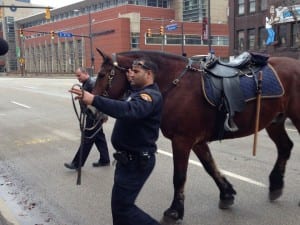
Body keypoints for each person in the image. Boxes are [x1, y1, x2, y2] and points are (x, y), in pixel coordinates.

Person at [69, 58, 163, 225]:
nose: (131, 74)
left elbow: (129, 110)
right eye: (130, 71)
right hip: (126, 160)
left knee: (123, 209)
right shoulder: (136, 93)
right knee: (120, 211)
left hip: (136, 161)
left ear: (149, 74)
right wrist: (99, 108)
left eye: (136, 72)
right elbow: (120, 103)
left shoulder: (150, 96)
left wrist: (94, 100)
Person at [64, 67, 110, 170]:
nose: (77, 78)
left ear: (85, 73)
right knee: (99, 138)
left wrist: (103, 115)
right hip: (92, 116)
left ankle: (77, 163)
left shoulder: (92, 83)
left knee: (87, 139)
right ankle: (105, 159)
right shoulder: (87, 83)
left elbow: (100, 100)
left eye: (79, 75)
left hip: (94, 117)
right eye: (76, 76)